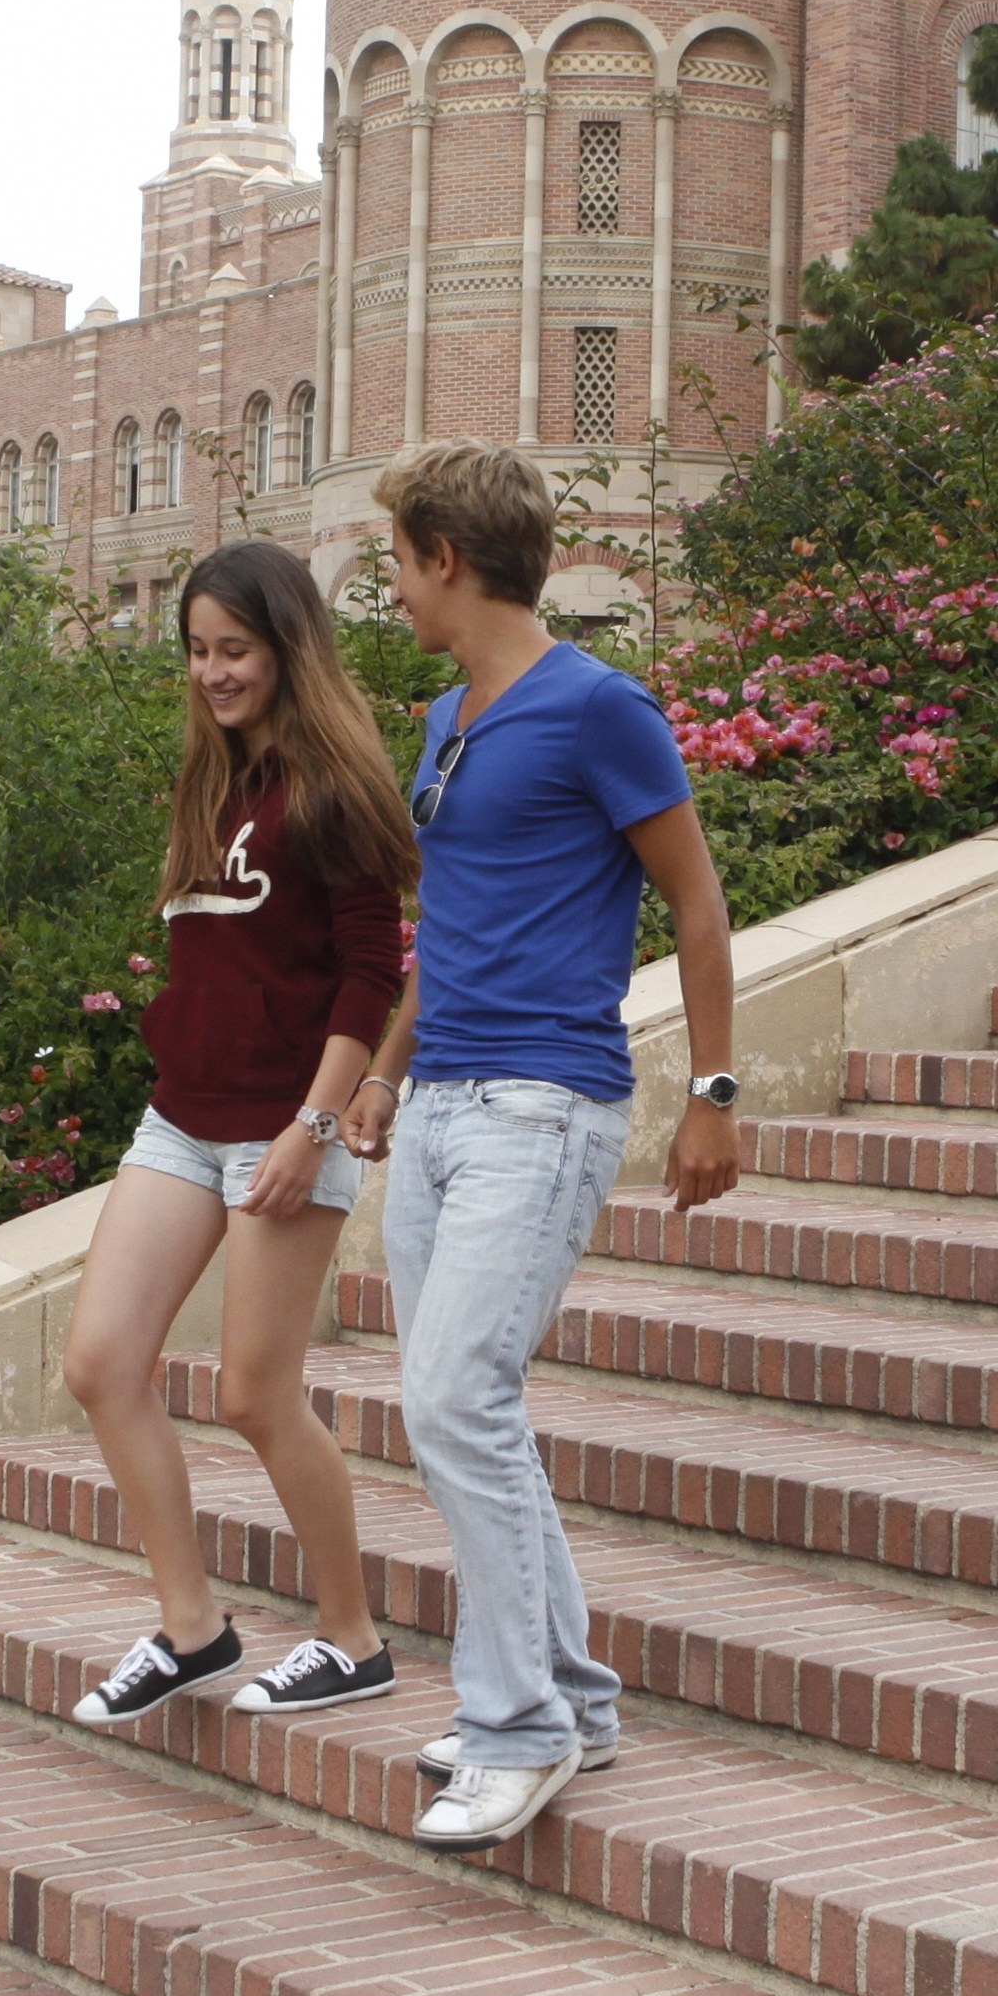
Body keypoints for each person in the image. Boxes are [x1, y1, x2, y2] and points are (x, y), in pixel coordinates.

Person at [336, 437, 740, 1854]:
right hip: (441, 1099)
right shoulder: (448, 713)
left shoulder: (598, 707)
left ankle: (516, 1732)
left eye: (395, 558)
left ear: (446, 554)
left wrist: (717, 1090)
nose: (389, 586)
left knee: (455, 1397)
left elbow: (694, 903)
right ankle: (567, 1689)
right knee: (463, 1404)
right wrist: (385, 1072)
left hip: (545, 1102)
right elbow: (444, 930)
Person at [61, 538, 413, 1728]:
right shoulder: (208, 779)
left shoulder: (332, 786)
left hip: (282, 1122)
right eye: (199, 651)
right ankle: (191, 1627)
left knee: (258, 1394)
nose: (213, 673)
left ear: (286, 650)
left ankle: (352, 1638)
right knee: (103, 1361)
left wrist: (317, 1124)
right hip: (181, 1115)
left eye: (236, 650)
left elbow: (373, 973)